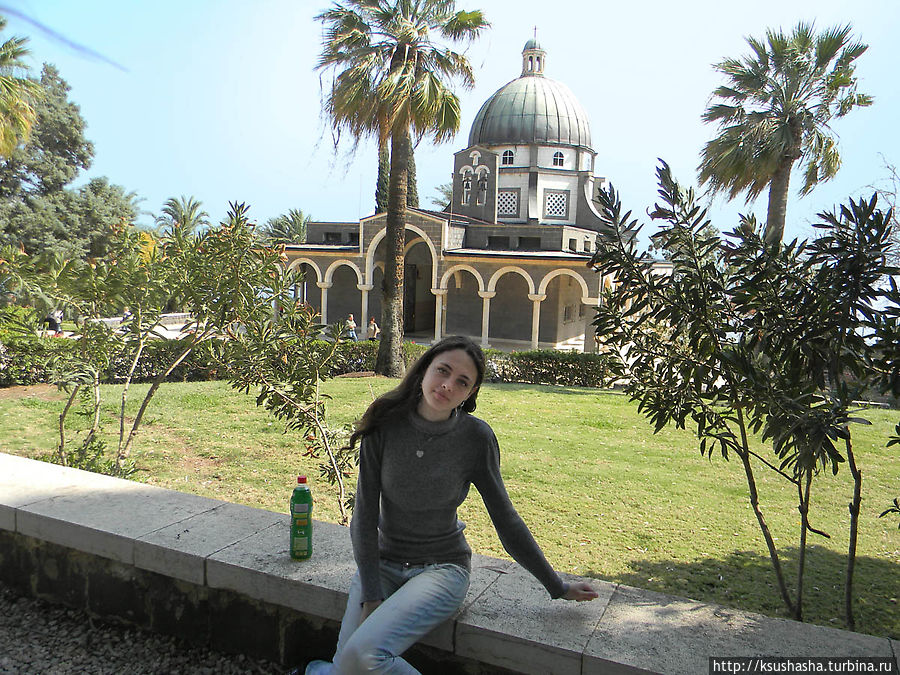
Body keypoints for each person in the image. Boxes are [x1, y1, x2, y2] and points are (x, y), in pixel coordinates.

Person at [305, 336, 598, 674]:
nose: (447, 385)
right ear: (424, 369)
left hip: (442, 568)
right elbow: (365, 517)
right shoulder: (385, 422)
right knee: (349, 666)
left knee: (358, 659)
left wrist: (556, 586)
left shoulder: (476, 439)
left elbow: (506, 520)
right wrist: (371, 594)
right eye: (442, 371)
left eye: (462, 382)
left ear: (471, 393)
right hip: (383, 564)